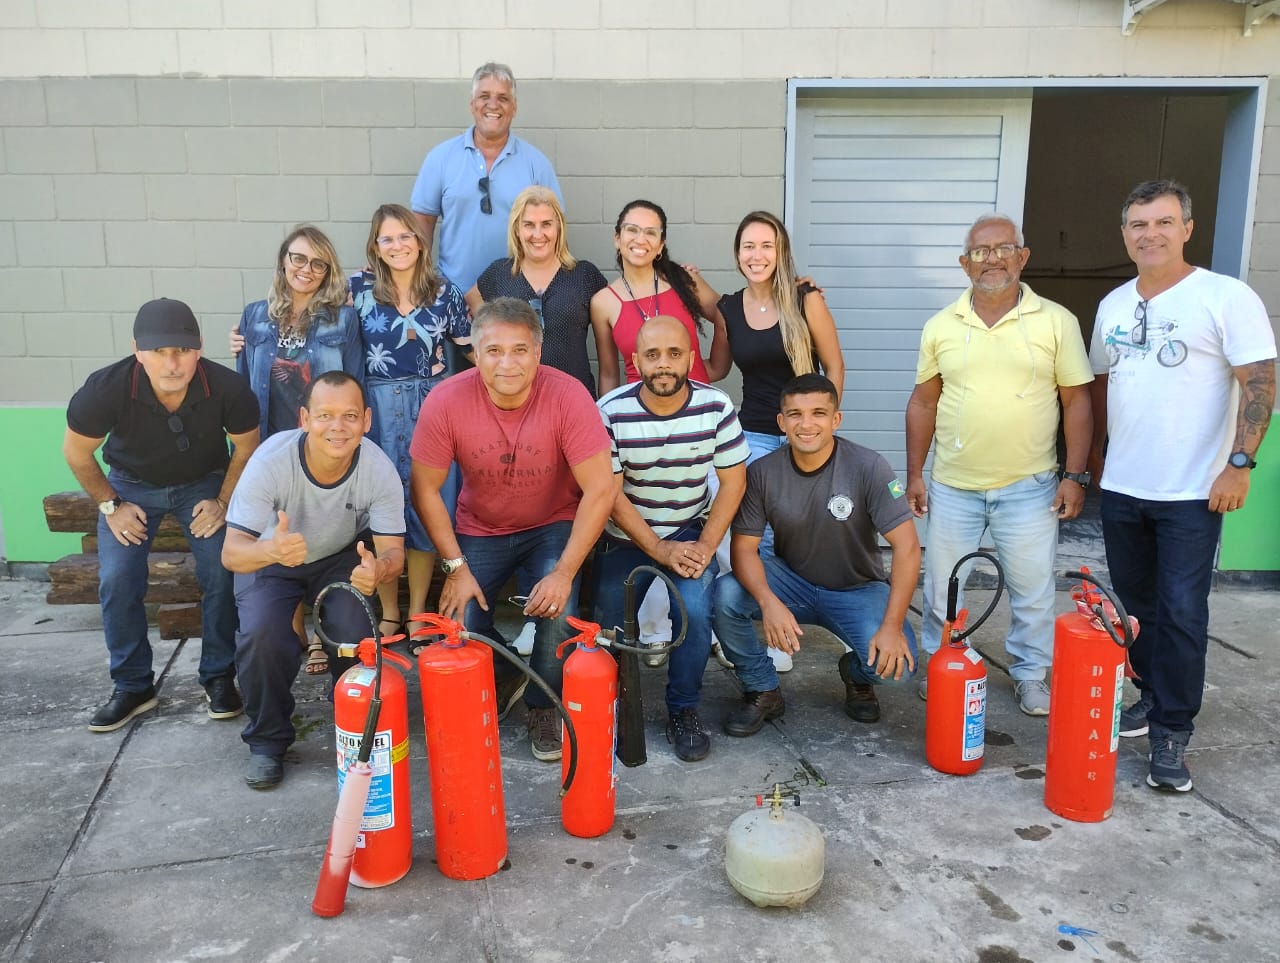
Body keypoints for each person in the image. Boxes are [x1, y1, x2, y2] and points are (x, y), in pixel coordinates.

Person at [1089, 179, 1275, 793]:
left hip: (1194, 491)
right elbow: (1098, 385)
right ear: (1125, 234)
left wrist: (1239, 464)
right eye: (1139, 224)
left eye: (1164, 222)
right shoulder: (1114, 304)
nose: (1151, 234)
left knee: (1184, 613)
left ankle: (1173, 731)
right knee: (1137, 610)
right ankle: (1149, 696)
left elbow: (1259, 382)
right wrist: (1092, 464)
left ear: (1187, 228)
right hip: (1122, 487)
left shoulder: (1224, 297)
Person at [409, 298, 616, 763]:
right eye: (494, 350)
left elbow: (600, 490)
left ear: (539, 353)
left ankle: (544, 704)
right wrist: (455, 566)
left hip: (552, 522)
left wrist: (564, 572)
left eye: (519, 350)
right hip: (480, 527)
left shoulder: (567, 395)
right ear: (475, 354)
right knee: (459, 622)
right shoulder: (446, 400)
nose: (507, 363)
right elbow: (424, 489)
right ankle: (508, 672)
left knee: (557, 611)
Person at [905, 213, 1094, 717]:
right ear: (965, 264)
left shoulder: (1056, 321)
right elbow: (923, 402)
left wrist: (1074, 476)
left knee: (1032, 587)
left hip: (1029, 486)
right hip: (953, 485)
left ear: (1023, 257)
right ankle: (943, 659)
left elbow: (1077, 401)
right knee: (944, 582)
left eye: (1003, 249)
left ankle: (1031, 674)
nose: (992, 260)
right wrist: (916, 473)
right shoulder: (942, 326)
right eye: (981, 252)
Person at [63, 298, 260, 732]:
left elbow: (246, 446)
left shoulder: (227, 387)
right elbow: (76, 453)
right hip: (130, 485)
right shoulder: (106, 388)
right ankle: (134, 686)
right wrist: (111, 506)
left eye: (183, 351)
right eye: (158, 352)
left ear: (199, 347)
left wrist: (224, 501)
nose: (172, 364)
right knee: (117, 579)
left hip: (203, 483)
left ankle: (219, 677)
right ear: (137, 350)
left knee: (222, 570)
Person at [223, 372, 406, 789]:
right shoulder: (271, 461)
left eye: (349, 416)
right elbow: (231, 553)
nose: (337, 427)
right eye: (325, 415)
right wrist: (271, 551)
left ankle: (352, 715)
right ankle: (268, 741)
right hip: (271, 556)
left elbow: (393, 551)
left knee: (354, 634)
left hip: (339, 556)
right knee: (262, 636)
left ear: (367, 421)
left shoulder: (378, 468)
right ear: (304, 418)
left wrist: (378, 570)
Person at [714, 374, 920, 735]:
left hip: (857, 588)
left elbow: (907, 547)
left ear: (836, 419)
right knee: (724, 595)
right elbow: (743, 548)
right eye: (795, 414)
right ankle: (763, 688)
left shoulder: (868, 466)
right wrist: (768, 602)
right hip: (790, 580)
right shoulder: (762, 472)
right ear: (781, 422)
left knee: (899, 671)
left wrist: (890, 628)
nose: (806, 424)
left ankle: (856, 673)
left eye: (818, 413)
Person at [594, 316, 749, 762]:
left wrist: (704, 547)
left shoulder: (716, 407)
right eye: (653, 355)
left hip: (689, 526)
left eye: (674, 354)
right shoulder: (611, 411)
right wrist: (657, 548)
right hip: (626, 536)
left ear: (691, 358)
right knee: (608, 626)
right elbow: (611, 493)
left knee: (697, 612)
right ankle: (614, 706)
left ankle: (683, 709)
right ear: (635, 360)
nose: (664, 365)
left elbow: (733, 483)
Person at [718, 210, 846, 673]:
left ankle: (828, 620)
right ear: (737, 254)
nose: (758, 255)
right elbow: (714, 368)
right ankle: (770, 632)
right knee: (759, 540)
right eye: (749, 246)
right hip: (752, 434)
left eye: (767, 246)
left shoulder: (804, 298)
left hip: (803, 435)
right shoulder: (729, 307)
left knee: (813, 534)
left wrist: (822, 426)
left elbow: (835, 366)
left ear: (781, 251)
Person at [350, 204, 471, 644]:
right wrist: (247, 337)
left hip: (430, 406)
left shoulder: (444, 291)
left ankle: (418, 608)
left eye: (406, 236)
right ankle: (388, 611)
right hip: (376, 410)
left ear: (420, 242)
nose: (398, 245)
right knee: (382, 507)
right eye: (388, 238)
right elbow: (316, 332)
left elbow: (473, 349)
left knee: (424, 504)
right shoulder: (357, 290)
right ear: (376, 247)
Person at [410, 62, 561, 295]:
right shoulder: (440, 158)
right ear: (472, 104)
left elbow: (555, 231)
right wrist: (418, 280)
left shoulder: (536, 164)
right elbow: (422, 222)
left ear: (514, 107)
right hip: (453, 296)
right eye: (484, 96)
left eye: (503, 98)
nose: (493, 104)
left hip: (517, 299)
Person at [468, 186, 611, 396]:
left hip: (573, 399)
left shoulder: (585, 276)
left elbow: (608, 360)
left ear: (559, 228)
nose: (538, 234)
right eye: (528, 225)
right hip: (516, 402)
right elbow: (470, 303)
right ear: (517, 228)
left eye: (546, 224)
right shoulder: (498, 274)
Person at [234, 225, 363, 441]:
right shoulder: (254, 315)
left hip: (324, 443)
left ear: (327, 272)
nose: (306, 269)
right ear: (283, 261)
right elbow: (244, 389)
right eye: (299, 259)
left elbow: (356, 386)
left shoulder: (343, 319)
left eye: (318, 264)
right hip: (269, 444)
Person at [591, 199, 731, 397]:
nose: (640, 239)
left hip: (696, 409)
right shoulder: (603, 303)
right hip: (641, 417)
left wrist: (717, 366)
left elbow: (726, 313)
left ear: (660, 245)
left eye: (650, 232)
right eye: (632, 230)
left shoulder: (683, 281)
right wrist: (607, 424)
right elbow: (608, 375)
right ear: (617, 238)